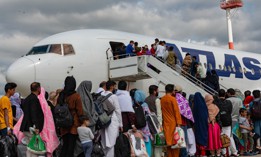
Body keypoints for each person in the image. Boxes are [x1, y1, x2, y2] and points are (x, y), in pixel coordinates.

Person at [58, 76, 84, 157]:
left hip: (63, 123)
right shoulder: (76, 96)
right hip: (73, 124)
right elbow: (80, 111)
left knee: (65, 145)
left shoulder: (62, 94)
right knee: (71, 147)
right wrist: (83, 121)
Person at [101, 81, 123, 157]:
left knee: (104, 141)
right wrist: (120, 124)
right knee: (111, 142)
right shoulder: (113, 96)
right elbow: (117, 110)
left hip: (102, 120)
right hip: (112, 120)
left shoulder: (101, 95)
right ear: (111, 87)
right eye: (114, 86)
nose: (115, 88)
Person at [161, 84, 182, 157]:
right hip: (174, 124)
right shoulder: (173, 99)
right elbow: (176, 112)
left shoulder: (162, 99)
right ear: (172, 91)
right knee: (175, 145)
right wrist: (179, 123)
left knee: (168, 145)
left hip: (166, 124)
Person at [216, 89, 238, 156]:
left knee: (222, 137)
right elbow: (230, 111)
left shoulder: (216, 102)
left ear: (218, 94)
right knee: (229, 137)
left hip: (220, 122)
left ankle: (224, 153)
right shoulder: (228, 102)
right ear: (225, 94)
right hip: (228, 121)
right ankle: (234, 152)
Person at [134, 89, 153, 157]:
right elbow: (149, 116)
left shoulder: (133, 105)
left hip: (137, 129)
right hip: (145, 128)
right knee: (147, 144)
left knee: (138, 146)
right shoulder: (145, 105)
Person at [192, 92, 208, 156]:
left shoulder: (195, 106)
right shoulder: (204, 105)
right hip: (204, 124)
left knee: (198, 137)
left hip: (197, 125)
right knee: (203, 136)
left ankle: (198, 152)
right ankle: (203, 152)